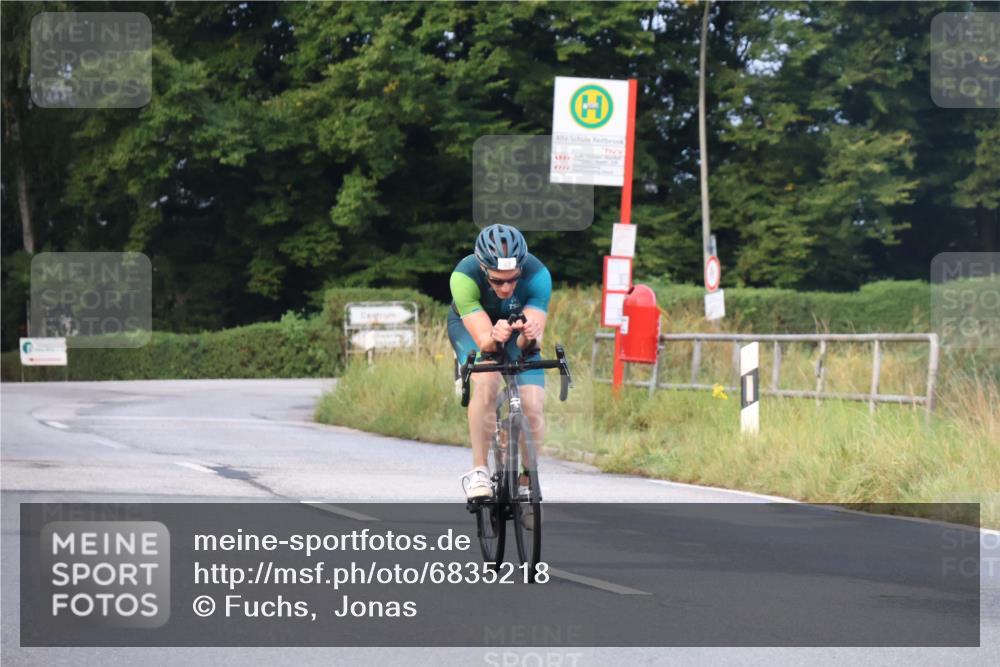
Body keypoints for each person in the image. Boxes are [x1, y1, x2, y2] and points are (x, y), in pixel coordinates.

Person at [448, 224, 551, 500]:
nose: (506, 287)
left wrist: (528, 336)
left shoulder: (538, 275)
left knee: (532, 403)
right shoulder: (463, 276)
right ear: (483, 269)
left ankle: (527, 480)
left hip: (514, 335)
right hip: (474, 331)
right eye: (497, 281)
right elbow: (485, 342)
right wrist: (494, 337)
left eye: (512, 279)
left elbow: (529, 346)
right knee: (487, 381)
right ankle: (479, 471)